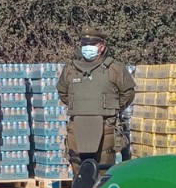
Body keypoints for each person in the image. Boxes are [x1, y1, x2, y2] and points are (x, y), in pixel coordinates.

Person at [56, 27, 135, 175]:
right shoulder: (70, 69)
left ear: (102, 46)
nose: (88, 47)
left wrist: (113, 109)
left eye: (92, 44)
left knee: (103, 172)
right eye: (85, 43)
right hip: (77, 127)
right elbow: (63, 93)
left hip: (106, 126)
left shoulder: (115, 68)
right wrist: (81, 107)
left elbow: (128, 93)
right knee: (79, 171)